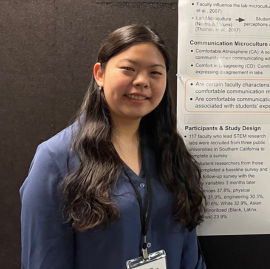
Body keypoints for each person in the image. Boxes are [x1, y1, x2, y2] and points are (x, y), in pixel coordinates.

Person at [20, 25, 206, 269]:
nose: (142, 81)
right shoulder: (56, 159)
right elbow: (43, 261)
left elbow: (189, 253)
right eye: (128, 69)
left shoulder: (172, 153)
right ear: (100, 74)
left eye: (155, 73)